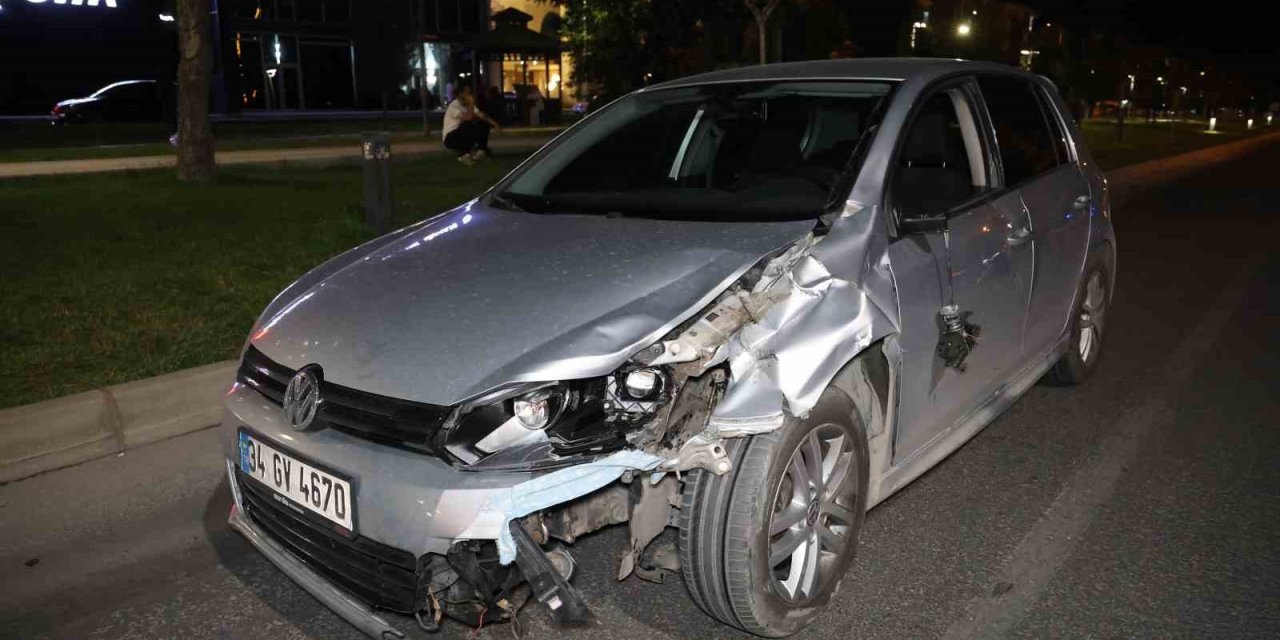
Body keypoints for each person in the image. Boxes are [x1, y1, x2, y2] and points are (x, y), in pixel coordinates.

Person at [442, 84, 501, 165]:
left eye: (470, 93)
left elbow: (481, 115)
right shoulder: (454, 106)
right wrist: (472, 102)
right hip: (451, 137)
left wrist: (494, 124)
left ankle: (480, 151)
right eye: (467, 93)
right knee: (467, 124)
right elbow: (468, 118)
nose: (469, 95)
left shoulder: (468, 105)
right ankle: (463, 154)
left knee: (483, 123)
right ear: (460, 94)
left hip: (461, 134)